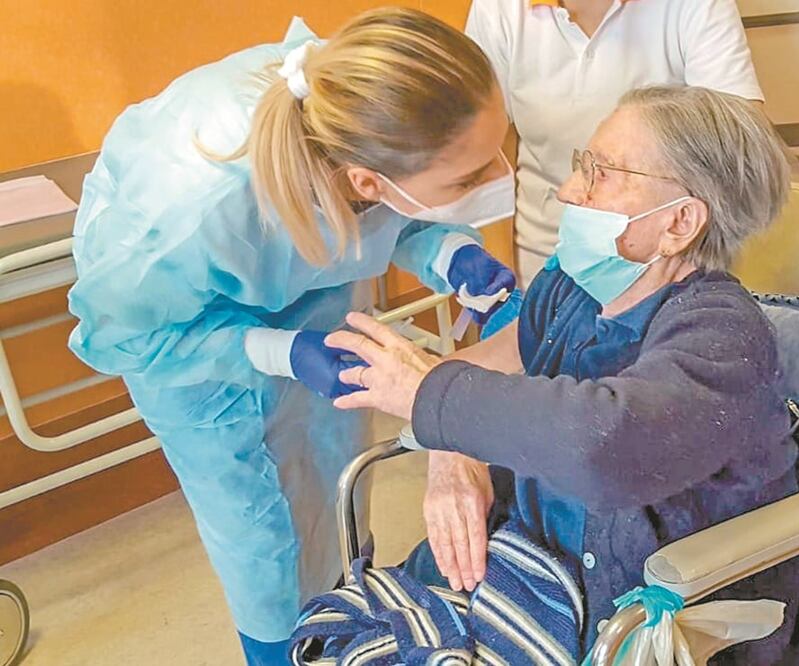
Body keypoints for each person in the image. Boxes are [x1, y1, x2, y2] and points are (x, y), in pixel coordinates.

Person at [66, 9, 518, 665]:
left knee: (337, 479)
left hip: (316, 290)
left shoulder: (371, 119)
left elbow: (399, 207)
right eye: (469, 179)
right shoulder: (192, 209)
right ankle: (281, 651)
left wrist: (452, 253)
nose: (495, 179)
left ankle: (350, 620)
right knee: (259, 536)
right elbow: (131, 336)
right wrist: (278, 350)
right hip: (189, 344)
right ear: (364, 181)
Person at [326, 87, 799, 662]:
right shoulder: (572, 288)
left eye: (601, 173)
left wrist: (427, 395)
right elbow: (479, 366)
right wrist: (450, 455)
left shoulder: (723, 334)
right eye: (581, 165)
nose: (569, 191)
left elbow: (605, 445)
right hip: (530, 566)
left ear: (679, 223)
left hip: (645, 620)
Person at [465, 0, 764, 284]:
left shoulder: (694, 7)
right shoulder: (500, 9)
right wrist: (497, 278)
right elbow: (479, 151)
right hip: (541, 256)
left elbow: (737, 149)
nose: (571, 191)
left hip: (665, 264)